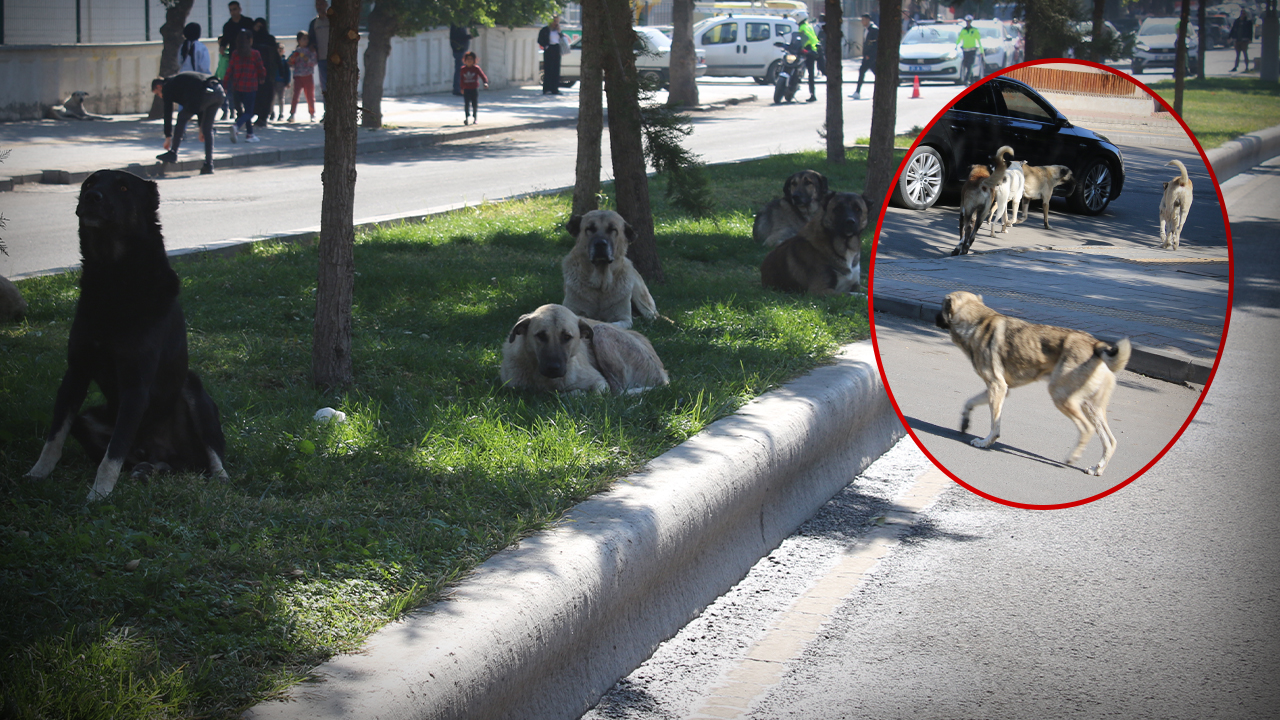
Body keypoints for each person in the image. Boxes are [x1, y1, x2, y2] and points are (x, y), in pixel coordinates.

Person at [152, 72, 226, 175]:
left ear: (159, 86)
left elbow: (168, 113)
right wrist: (201, 128)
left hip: (205, 93)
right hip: (218, 91)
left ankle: (173, 153)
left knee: (181, 118)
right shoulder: (178, 82)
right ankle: (209, 165)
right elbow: (199, 105)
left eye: (157, 94)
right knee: (207, 129)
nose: (160, 96)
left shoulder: (167, 87)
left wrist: (168, 136)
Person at [225, 28, 266, 143]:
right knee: (249, 112)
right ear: (250, 40)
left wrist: (225, 84)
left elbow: (229, 69)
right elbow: (261, 68)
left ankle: (250, 134)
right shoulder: (254, 54)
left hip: (237, 86)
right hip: (250, 86)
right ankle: (236, 126)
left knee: (244, 111)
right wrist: (262, 77)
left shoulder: (235, 53)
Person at [251, 17, 278, 127]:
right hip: (254, 72)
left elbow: (275, 55)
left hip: (268, 71)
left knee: (267, 94)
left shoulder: (269, 39)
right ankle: (256, 114)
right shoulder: (252, 39)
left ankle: (264, 116)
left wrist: (279, 70)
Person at [288, 31, 318, 122]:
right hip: (298, 76)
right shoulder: (296, 51)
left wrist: (306, 59)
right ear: (299, 40)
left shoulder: (311, 51)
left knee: (310, 96)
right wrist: (293, 58)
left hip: (308, 75)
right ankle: (292, 114)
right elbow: (290, 63)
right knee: (295, 96)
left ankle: (312, 114)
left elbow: (314, 62)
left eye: (307, 39)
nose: (306, 41)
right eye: (303, 39)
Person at [459, 51, 490, 125]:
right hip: (466, 89)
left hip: (474, 88)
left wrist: (485, 82)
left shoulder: (476, 68)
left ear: (474, 60)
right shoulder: (463, 69)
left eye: (471, 59)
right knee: (466, 104)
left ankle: (475, 118)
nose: (469, 61)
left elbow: (483, 76)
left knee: (474, 104)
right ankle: (466, 118)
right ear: (465, 60)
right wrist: (462, 88)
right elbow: (461, 79)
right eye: (468, 59)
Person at [308, 0, 331, 99]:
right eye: (317, 4)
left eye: (321, 4)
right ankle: (327, 105)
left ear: (326, 5)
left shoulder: (332, 21)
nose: (319, 7)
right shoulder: (314, 23)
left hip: (335, 57)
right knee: (325, 85)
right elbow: (310, 40)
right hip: (321, 58)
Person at [852, 13, 878, 100]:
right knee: (875, 72)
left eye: (863, 20)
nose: (862, 22)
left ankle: (857, 92)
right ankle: (857, 92)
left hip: (870, 56)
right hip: (867, 55)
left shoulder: (874, 30)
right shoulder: (866, 29)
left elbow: (874, 45)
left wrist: (869, 55)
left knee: (862, 71)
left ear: (868, 20)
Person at [537, 16, 564, 95]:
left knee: (556, 69)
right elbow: (540, 39)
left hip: (556, 49)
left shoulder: (558, 30)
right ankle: (547, 89)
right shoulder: (545, 30)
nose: (555, 23)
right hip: (549, 49)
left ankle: (555, 89)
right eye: (554, 21)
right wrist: (545, 46)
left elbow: (562, 39)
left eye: (557, 21)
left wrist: (559, 31)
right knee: (548, 69)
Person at [796, 12, 820, 102]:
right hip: (813, 50)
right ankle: (813, 94)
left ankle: (812, 94)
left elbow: (803, 39)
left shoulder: (802, 27)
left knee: (807, 72)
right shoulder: (808, 25)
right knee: (811, 73)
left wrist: (801, 48)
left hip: (807, 50)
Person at [956, 15, 983, 85]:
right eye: (967, 21)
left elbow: (979, 41)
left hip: (972, 50)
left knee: (970, 65)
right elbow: (959, 39)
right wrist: (956, 47)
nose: (968, 22)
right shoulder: (963, 30)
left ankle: (966, 79)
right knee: (966, 65)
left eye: (969, 21)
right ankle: (972, 79)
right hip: (965, 50)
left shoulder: (975, 30)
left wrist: (981, 51)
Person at [450, 25, 474, 96]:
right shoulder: (457, 25)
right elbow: (459, 37)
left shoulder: (459, 24)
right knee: (460, 70)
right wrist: (469, 36)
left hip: (460, 49)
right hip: (459, 50)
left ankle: (458, 88)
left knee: (460, 69)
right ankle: (458, 89)